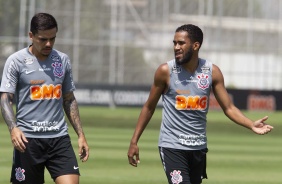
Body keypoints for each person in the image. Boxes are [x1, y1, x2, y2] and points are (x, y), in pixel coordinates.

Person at [127, 24, 273, 184]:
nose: (176, 47)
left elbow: (229, 108)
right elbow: (149, 106)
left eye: (181, 43)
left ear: (196, 45)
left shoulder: (212, 72)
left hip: (198, 148)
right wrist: (134, 141)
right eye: (174, 43)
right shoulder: (165, 71)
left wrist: (251, 124)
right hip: (172, 146)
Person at [0, 13, 89, 184]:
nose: (49, 44)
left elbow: (69, 99)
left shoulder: (62, 60)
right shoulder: (16, 61)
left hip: (59, 138)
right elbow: (5, 98)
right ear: (31, 36)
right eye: (43, 39)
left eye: (52, 39)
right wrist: (13, 128)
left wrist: (81, 135)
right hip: (27, 141)